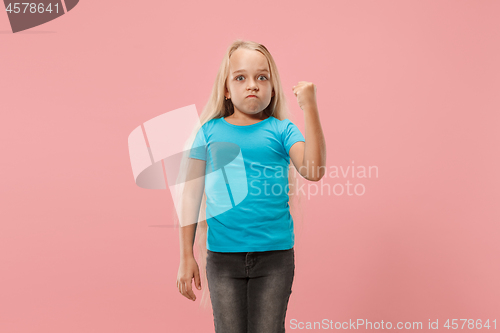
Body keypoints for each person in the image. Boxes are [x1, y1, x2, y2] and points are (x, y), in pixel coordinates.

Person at [175, 39, 326, 333]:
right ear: (227, 89)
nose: (253, 85)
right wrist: (185, 256)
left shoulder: (282, 131)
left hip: (275, 258)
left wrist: (310, 107)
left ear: (273, 87)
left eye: (262, 77)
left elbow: (314, 170)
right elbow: (190, 196)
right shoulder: (209, 132)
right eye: (241, 78)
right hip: (222, 259)